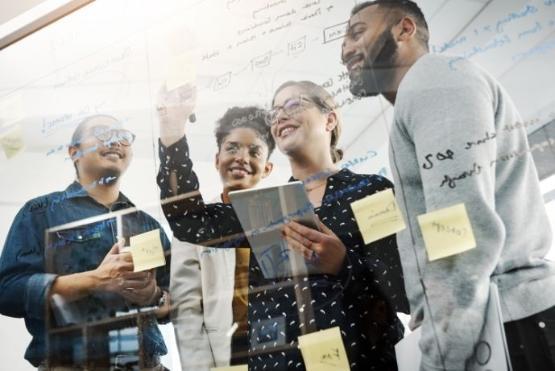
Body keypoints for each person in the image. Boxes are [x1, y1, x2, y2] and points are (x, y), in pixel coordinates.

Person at [342, 1, 555, 370]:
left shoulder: (433, 82)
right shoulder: (427, 90)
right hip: (498, 322)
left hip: (506, 326)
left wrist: (441, 355)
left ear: (404, 29)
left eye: (357, 32)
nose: (344, 50)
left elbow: (460, 235)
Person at [157, 80, 408, 370]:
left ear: (330, 118)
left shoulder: (370, 192)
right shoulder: (262, 208)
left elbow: (403, 292)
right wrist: (172, 130)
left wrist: (344, 265)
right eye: (275, 112)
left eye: (293, 105)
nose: (280, 117)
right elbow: (187, 220)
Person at [0, 114, 171, 369]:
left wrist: (154, 297)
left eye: (123, 137)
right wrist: (95, 280)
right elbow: (6, 291)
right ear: (74, 152)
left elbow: (177, 304)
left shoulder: (148, 225)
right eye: (102, 133)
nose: (115, 141)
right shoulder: (40, 212)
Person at [156, 85, 275, 369]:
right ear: (217, 159)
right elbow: (187, 311)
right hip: (221, 357)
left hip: (276, 353)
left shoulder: (281, 217)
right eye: (231, 148)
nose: (241, 158)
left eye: (254, 151)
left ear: (268, 168)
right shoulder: (195, 226)